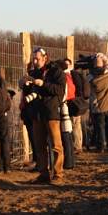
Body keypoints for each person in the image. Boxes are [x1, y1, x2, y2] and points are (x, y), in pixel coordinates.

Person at [25, 47, 66, 183]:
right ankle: (43, 173)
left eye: (37, 58)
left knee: (56, 145)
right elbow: (29, 91)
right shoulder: (33, 73)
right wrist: (25, 85)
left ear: (45, 58)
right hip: (37, 113)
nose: (35, 61)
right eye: (34, 59)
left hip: (51, 112)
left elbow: (59, 90)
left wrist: (44, 84)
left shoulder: (56, 72)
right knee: (39, 145)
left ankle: (58, 174)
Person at [88, 54, 108, 152]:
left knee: (100, 127)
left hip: (98, 106)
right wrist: (101, 56)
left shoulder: (90, 77)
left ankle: (101, 147)